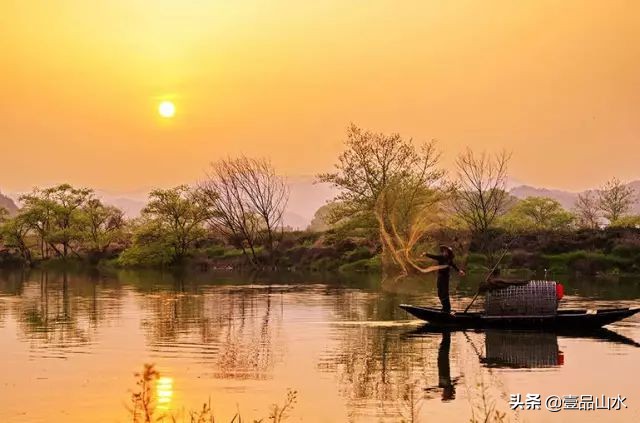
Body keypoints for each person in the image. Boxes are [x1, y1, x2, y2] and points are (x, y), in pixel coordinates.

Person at [423, 245, 465, 313]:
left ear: (448, 253)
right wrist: (426, 254)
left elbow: (454, 265)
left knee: (445, 293)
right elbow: (434, 256)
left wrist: (459, 271)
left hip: (445, 278)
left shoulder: (449, 260)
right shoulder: (441, 257)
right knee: (440, 293)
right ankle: (444, 307)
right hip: (440, 277)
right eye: (444, 251)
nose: (444, 252)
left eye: (446, 251)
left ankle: (447, 308)